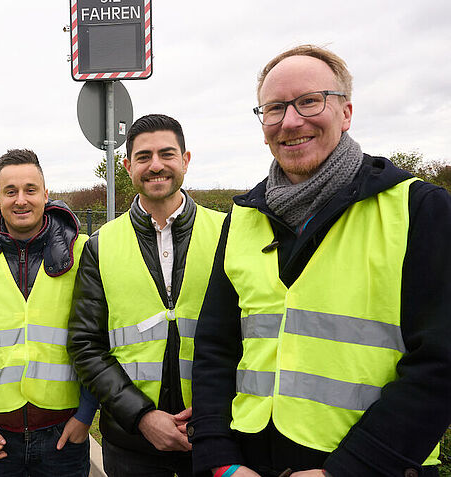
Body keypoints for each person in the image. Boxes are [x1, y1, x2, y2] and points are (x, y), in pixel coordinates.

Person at [190, 44, 451, 477]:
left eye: (309, 101)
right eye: (274, 108)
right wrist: (219, 460)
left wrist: (350, 470)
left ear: (346, 112)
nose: (291, 121)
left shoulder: (419, 209)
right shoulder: (243, 218)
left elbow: (441, 363)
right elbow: (217, 348)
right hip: (249, 465)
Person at [67, 114, 226, 476]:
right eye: (143, 157)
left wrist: (213, 409)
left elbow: (248, 335)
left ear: (185, 160)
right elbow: (85, 344)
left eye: (167, 154)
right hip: (131, 444)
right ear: (127, 166)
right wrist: (142, 416)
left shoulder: (228, 233)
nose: (156, 165)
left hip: (214, 435)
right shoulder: (100, 245)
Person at [0, 149, 98, 476]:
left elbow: (98, 337)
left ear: (45, 193)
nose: (21, 200)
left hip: (63, 435)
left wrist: (86, 414)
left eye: (30, 189)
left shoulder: (81, 251)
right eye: (10, 191)